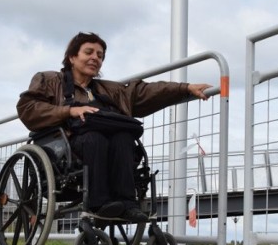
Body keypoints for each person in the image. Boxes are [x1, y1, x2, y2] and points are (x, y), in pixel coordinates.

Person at [17, 32, 211, 222]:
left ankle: (127, 204)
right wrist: (68, 111)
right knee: (95, 138)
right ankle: (98, 204)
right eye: (89, 52)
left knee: (123, 138)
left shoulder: (109, 90)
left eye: (100, 56)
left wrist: (185, 88)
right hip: (64, 148)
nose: (95, 58)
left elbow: (145, 92)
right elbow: (28, 108)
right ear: (72, 57)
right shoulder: (49, 81)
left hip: (106, 149)